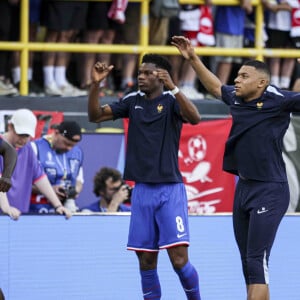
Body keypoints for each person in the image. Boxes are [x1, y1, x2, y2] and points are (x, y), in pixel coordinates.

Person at [171, 35, 300, 300]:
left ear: (261, 82)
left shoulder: (280, 100)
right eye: (238, 76)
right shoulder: (238, 98)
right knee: (249, 264)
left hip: (270, 189)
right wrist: (193, 58)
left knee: (256, 260)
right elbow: (217, 87)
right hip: (244, 189)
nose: (237, 80)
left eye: (243, 76)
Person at [88, 54, 201, 299]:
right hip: (141, 192)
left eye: (148, 73)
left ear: (162, 76)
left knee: (179, 261)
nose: (141, 76)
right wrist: (96, 85)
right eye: (139, 72)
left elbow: (195, 118)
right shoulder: (131, 101)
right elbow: (95, 116)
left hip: (169, 190)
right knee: (146, 262)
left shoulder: (172, 101)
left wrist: (174, 88)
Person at [0, 109, 71, 219]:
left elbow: (40, 177)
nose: (23, 140)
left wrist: (58, 206)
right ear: (10, 127)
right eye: (21, 134)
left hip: (20, 215)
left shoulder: (27, 148)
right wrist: (6, 208)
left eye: (27, 136)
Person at [30, 121, 84, 214]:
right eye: (66, 143)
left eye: (73, 145)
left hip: (65, 209)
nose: (69, 148)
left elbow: (79, 181)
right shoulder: (35, 148)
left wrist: (72, 192)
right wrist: (49, 190)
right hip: (36, 208)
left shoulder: (77, 153)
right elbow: (21, 183)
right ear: (56, 133)